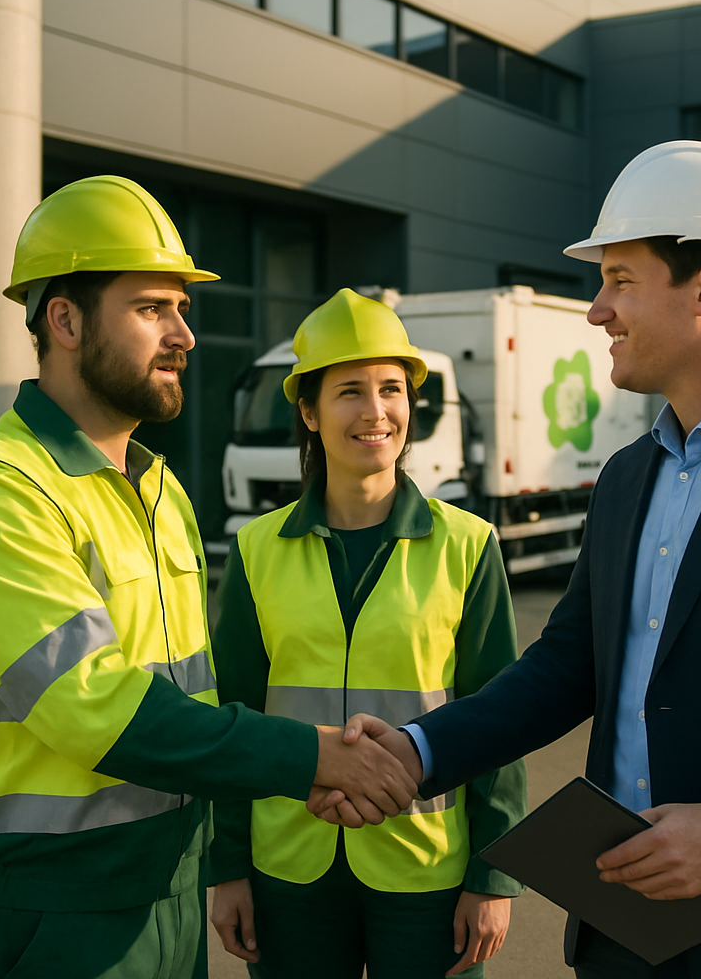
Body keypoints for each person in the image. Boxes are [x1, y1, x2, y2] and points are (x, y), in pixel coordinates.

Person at [312, 141, 701, 978]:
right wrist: (416, 752)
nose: (597, 311)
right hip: (625, 927)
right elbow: (566, 667)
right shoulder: (629, 475)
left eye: (619, 280)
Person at [0, 177, 417, 979]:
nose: (183, 334)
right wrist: (313, 759)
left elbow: (197, 706)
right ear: (64, 320)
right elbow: (99, 713)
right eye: (152, 309)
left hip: (168, 893)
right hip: (49, 910)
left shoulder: (159, 489)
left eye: (182, 308)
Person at [207, 288, 527, 978]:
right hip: (289, 865)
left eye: (392, 389)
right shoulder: (257, 549)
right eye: (350, 391)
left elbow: (502, 717)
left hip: (427, 867)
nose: (376, 411)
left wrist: (493, 876)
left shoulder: (468, 545)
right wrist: (227, 866)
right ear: (308, 410)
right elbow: (232, 717)